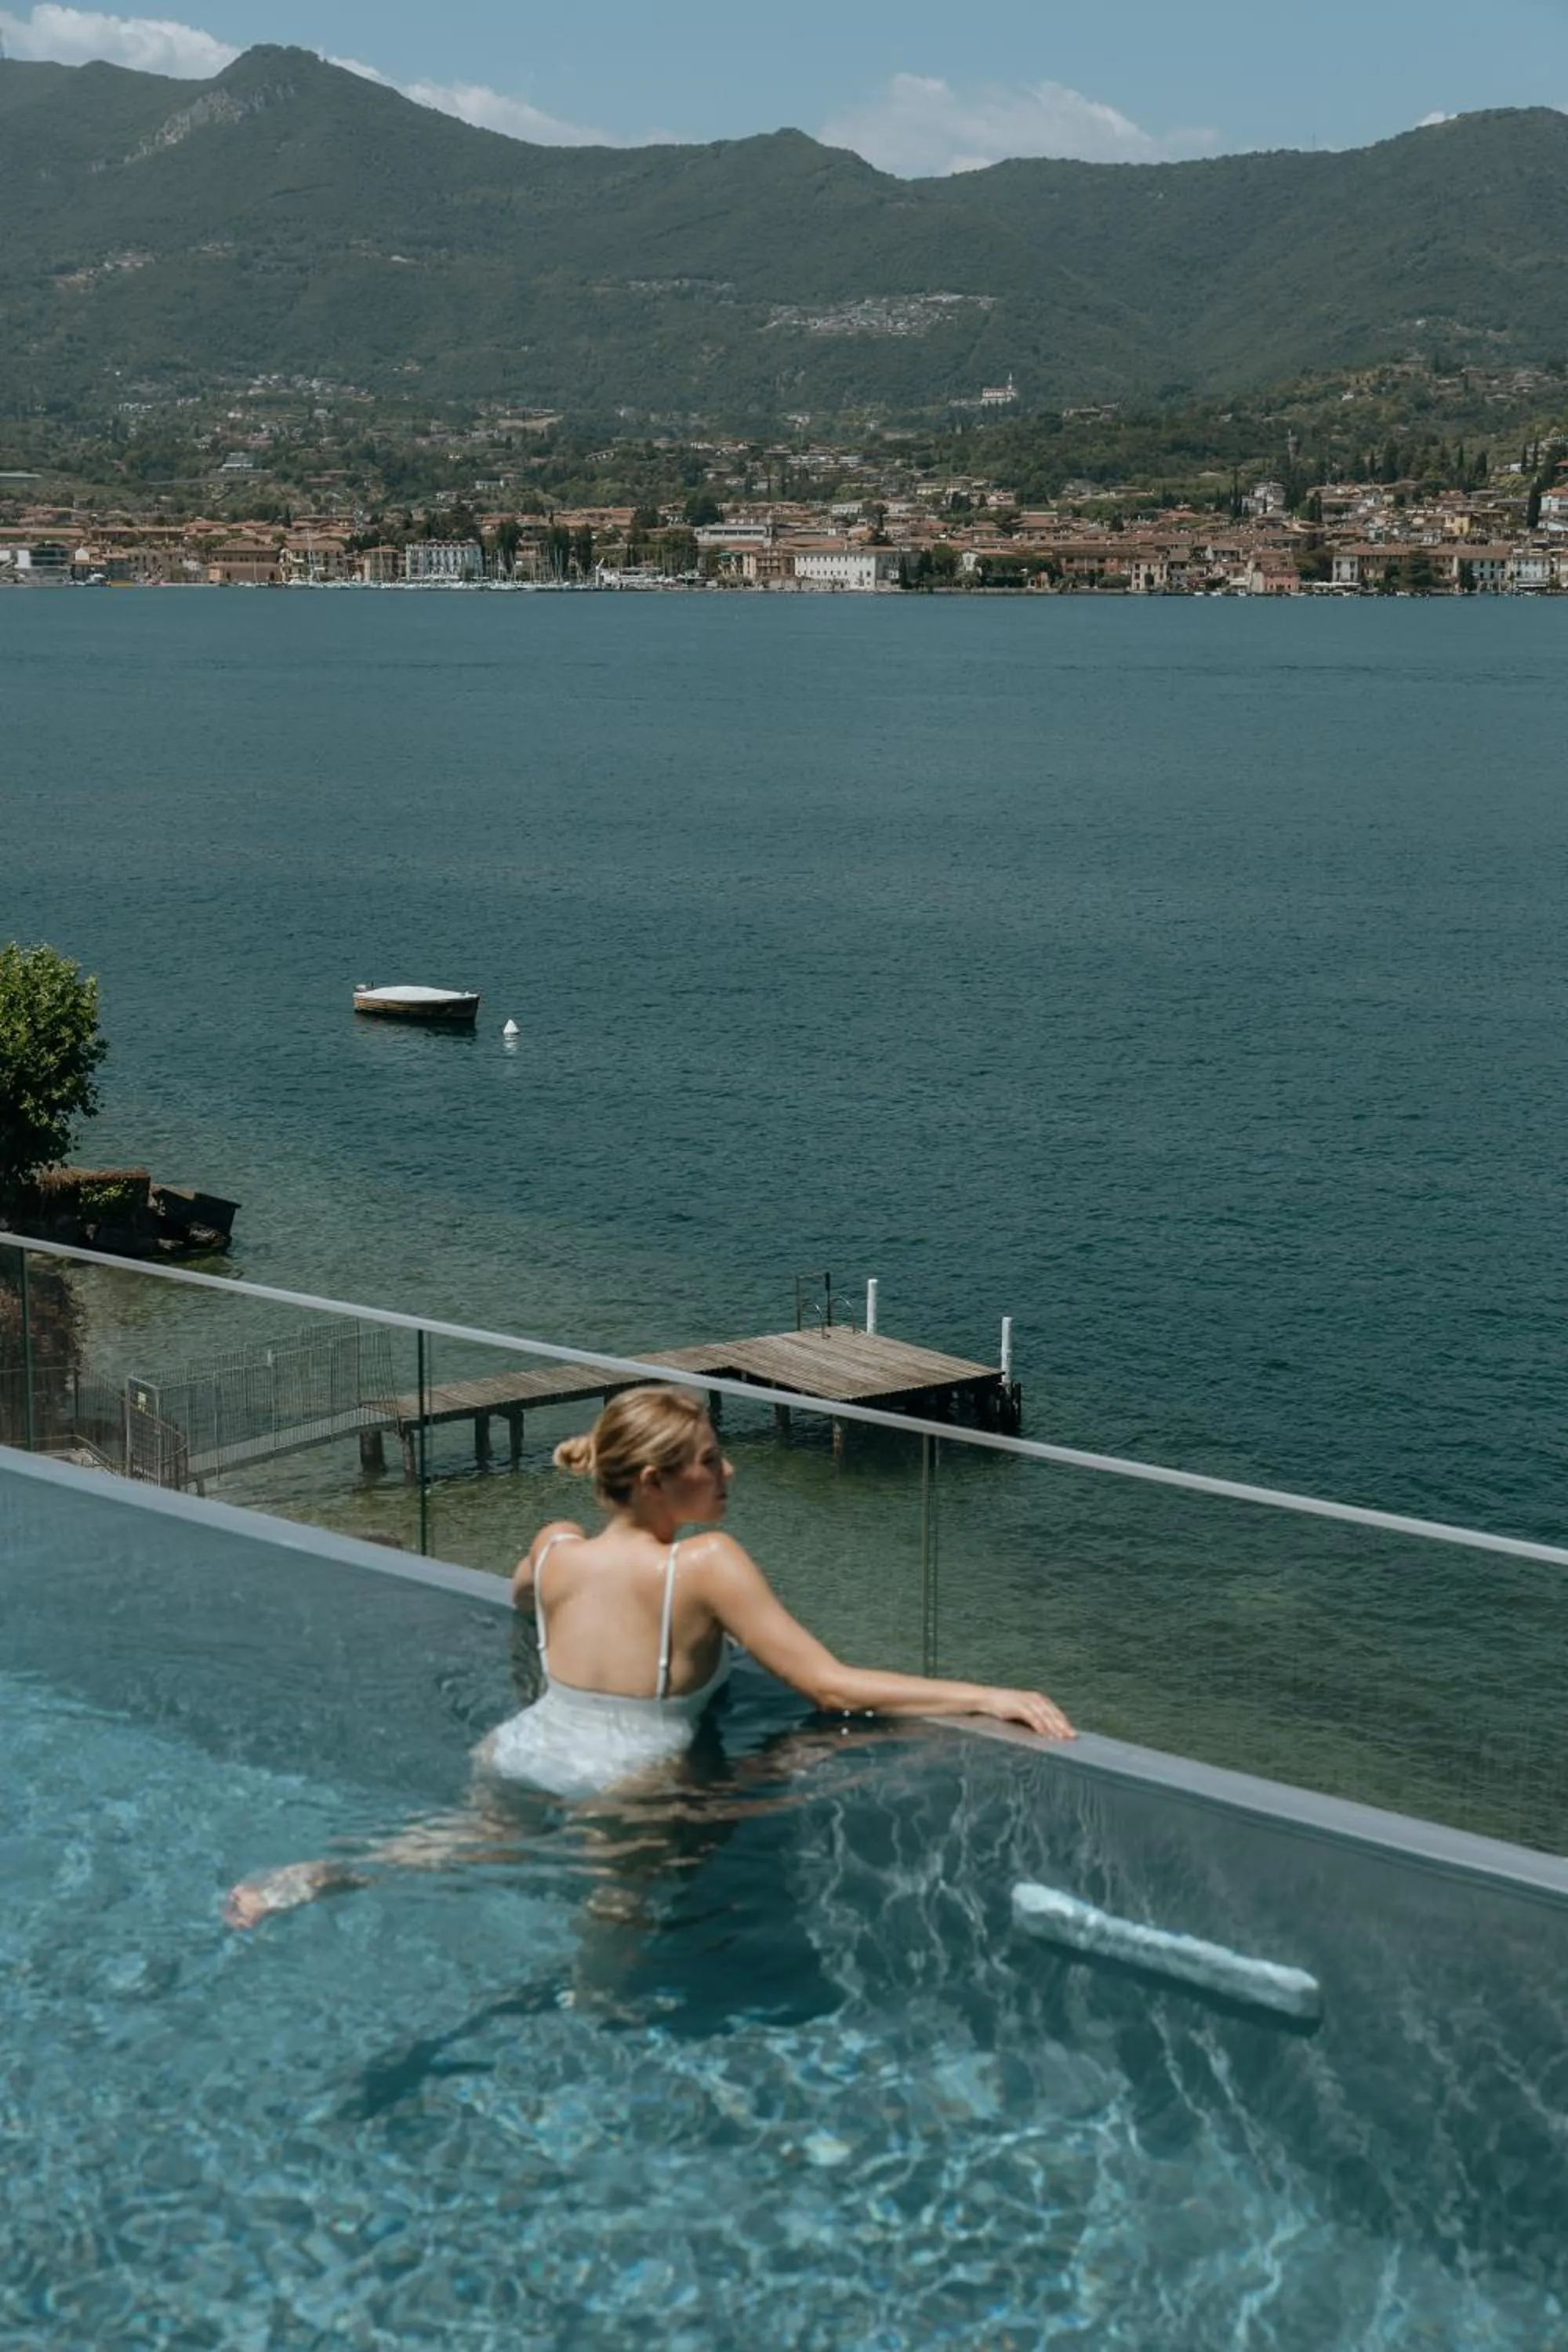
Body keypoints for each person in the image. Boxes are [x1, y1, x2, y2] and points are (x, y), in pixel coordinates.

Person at [224, 1385, 1072, 1926]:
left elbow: (520, 1599)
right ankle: (598, 2019)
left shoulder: (556, 1546)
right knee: (620, 1912)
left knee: (460, 1842)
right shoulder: (705, 1566)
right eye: (709, 1460)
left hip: (522, 1747)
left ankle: (319, 1877)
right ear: (657, 1481)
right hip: (626, 1777)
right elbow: (827, 1686)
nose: (728, 1471)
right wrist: (985, 1694)